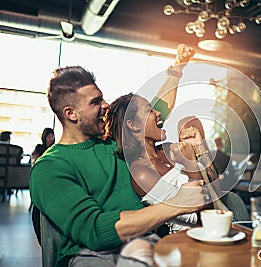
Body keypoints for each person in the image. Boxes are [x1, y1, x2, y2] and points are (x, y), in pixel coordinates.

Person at [30, 44, 207, 267]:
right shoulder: (50, 168)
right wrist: (177, 204)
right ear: (70, 113)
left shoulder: (113, 142)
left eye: (101, 97)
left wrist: (179, 67)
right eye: (95, 102)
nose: (105, 105)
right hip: (90, 255)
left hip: (142, 241)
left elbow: (157, 108)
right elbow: (95, 231)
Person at [105, 94, 204, 233]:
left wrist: (199, 148)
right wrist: (191, 164)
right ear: (133, 125)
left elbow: (217, 188)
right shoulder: (142, 174)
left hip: (222, 226)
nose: (158, 113)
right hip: (190, 241)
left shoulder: (169, 149)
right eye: (149, 110)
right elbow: (200, 214)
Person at [31, 127, 55, 245]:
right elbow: (35, 164)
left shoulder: (55, 149)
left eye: (52, 136)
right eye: (48, 136)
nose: (51, 138)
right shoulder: (40, 149)